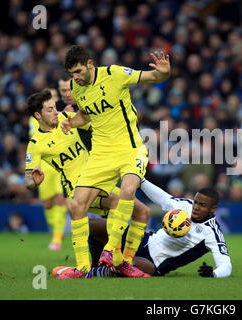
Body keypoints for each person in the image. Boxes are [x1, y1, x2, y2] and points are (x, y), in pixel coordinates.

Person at [60, 45, 170, 278]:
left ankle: (113, 251)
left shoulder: (115, 74)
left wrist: (163, 72)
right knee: (78, 205)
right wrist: (73, 122)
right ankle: (81, 267)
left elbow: (154, 76)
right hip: (101, 154)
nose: (76, 78)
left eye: (79, 71)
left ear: (90, 64)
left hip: (130, 149)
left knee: (129, 190)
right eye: (72, 74)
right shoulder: (76, 88)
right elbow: (86, 115)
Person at [24, 89, 151, 278]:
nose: (55, 112)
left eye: (55, 107)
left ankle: (124, 260)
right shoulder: (36, 144)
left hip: (99, 178)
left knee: (143, 211)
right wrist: (33, 181)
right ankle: (106, 263)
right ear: (38, 115)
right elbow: (28, 180)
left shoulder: (67, 118)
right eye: (49, 110)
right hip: (77, 187)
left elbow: (94, 125)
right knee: (118, 203)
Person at [56, 178, 232, 278]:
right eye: (196, 202)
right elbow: (163, 198)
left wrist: (215, 273)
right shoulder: (185, 206)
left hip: (154, 263)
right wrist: (141, 180)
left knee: (131, 265)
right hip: (144, 240)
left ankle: (92, 273)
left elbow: (226, 265)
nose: (196, 207)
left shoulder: (212, 233)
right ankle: (95, 264)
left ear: (212, 208)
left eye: (202, 205)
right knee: (92, 226)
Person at [29, 110, 67, 251]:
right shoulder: (34, 119)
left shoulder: (60, 117)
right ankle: (56, 228)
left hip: (60, 163)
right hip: (43, 165)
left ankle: (57, 237)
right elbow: (35, 139)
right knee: (48, 204)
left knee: (60, 197)